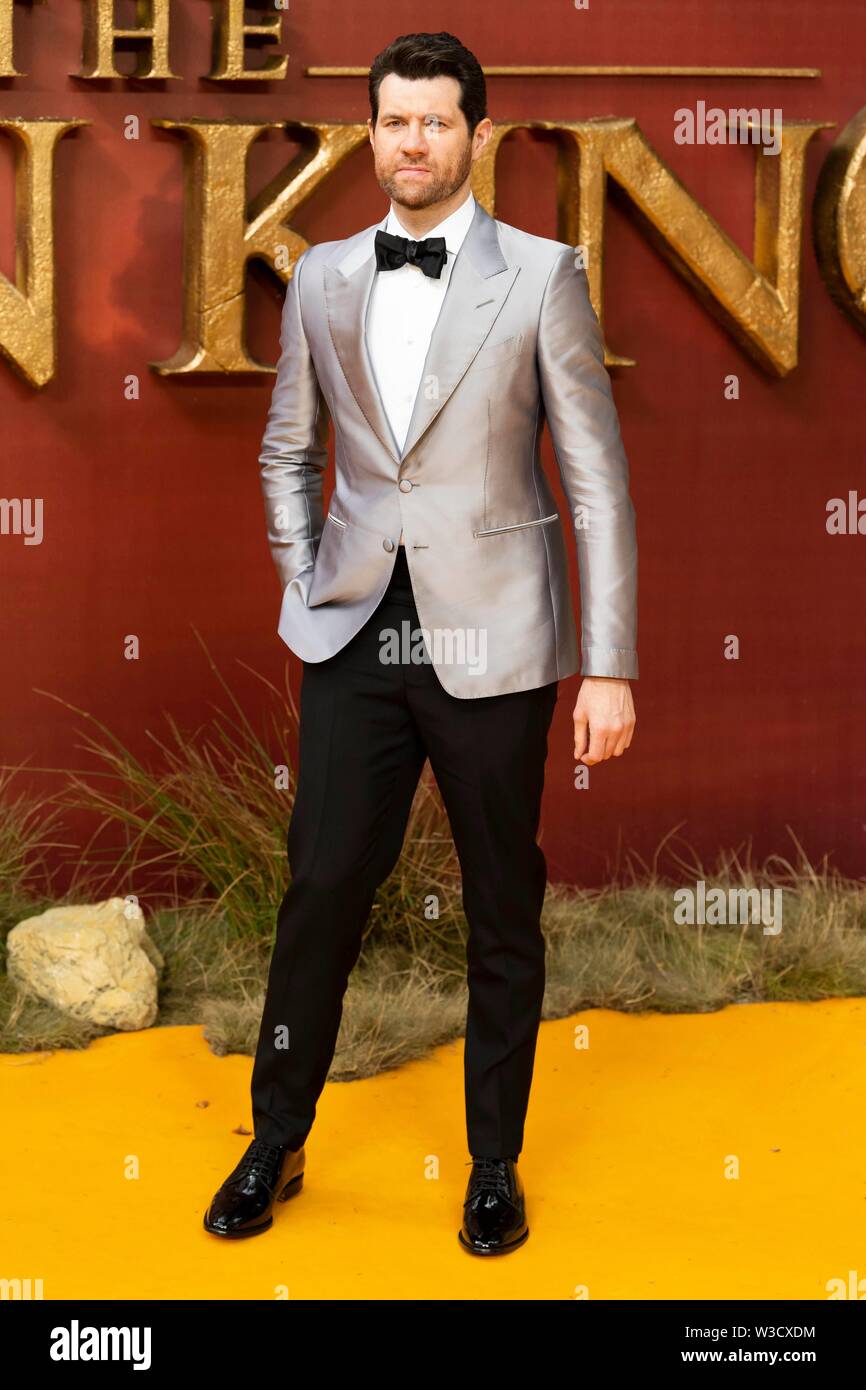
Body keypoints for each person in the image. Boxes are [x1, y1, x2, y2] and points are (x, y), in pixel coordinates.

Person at [204, 30, 638, 1255]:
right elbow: (287, 448)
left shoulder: (544, 275)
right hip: (353, 629)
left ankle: (491, 1162)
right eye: (393, 121)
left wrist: (606, 661)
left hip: (495, 631)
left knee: (503, 901)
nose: (411, 141)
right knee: (320, 889)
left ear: (475, 135)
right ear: (373, 131)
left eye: (435, 122)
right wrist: (307, 577)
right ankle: (275, 1139)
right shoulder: (326, 275)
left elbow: (596, 481)